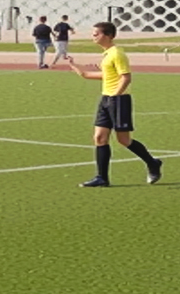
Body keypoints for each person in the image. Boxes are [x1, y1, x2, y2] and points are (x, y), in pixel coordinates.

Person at [67, 21, 163, 187]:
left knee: (124, 140)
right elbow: (100, 76)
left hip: (118, 100)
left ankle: (152, 162)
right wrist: (76, 67)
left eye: (96, 34)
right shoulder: (107, 54)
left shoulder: (117, 54)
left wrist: (115, 96)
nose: (93, 36)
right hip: (106, 99)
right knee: (99, 138)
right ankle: (102, 178)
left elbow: (126, 77)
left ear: (108, 35)